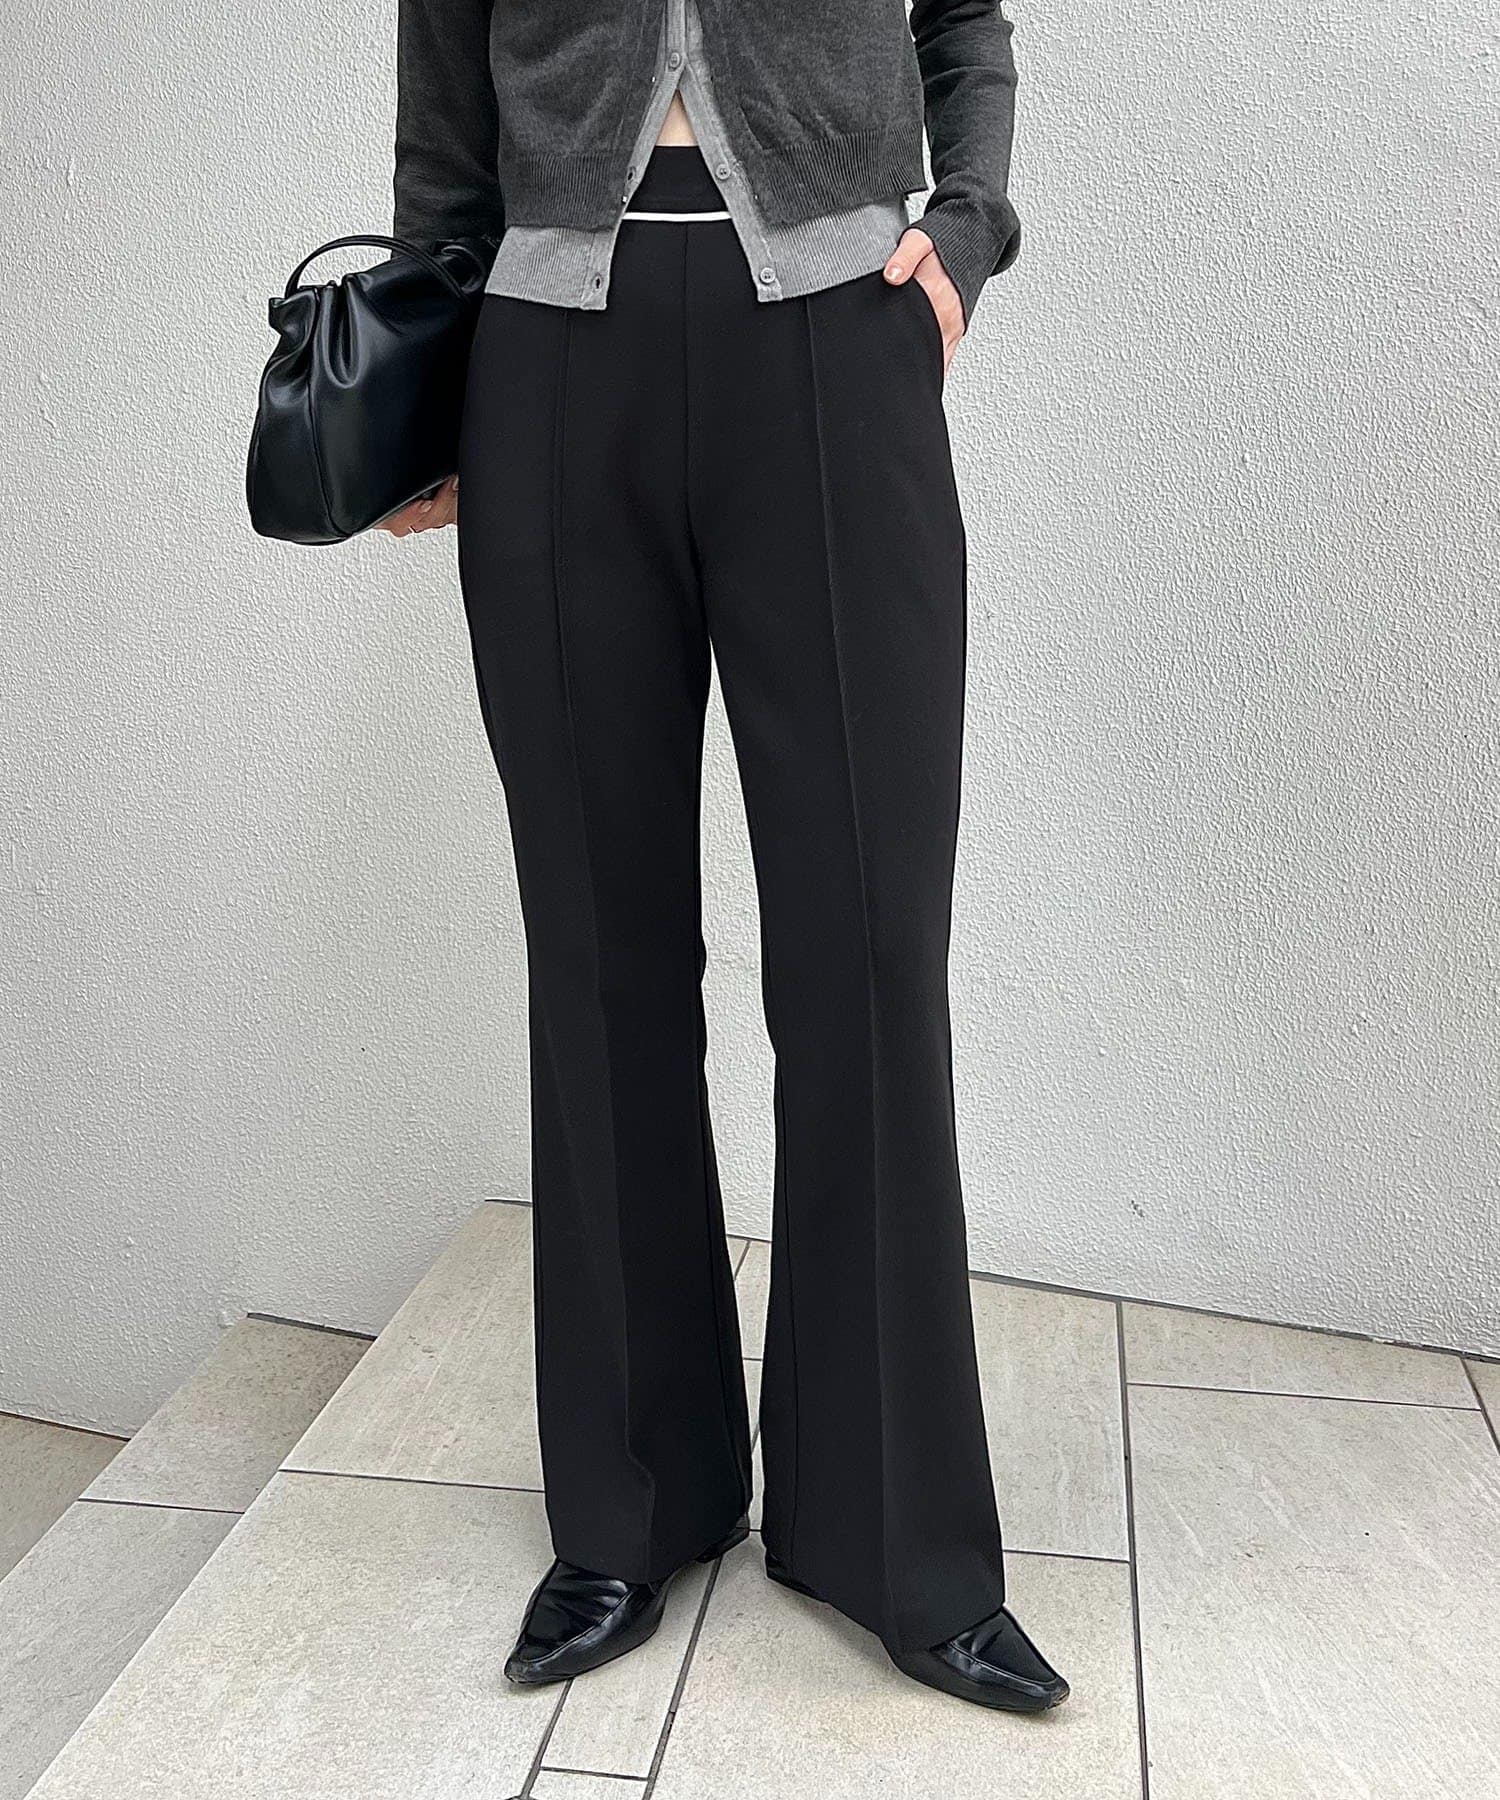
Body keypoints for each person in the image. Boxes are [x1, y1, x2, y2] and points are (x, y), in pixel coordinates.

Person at [383, 0, 1068, 1714]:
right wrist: (424, 374)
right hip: (550, 363)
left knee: (868, 954)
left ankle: (898, 1538)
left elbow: (963, 25)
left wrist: (964, 230)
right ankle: (631, 1509)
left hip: (840, 343)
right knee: (598, 951)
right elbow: (443, 107)